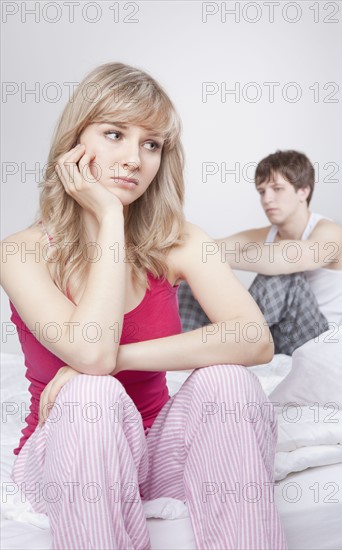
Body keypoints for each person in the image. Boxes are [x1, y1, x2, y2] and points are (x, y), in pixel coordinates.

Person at [0, 62, 288, 550]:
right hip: (64, 455)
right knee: (93, 396)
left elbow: (254, 340)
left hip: (155, 450)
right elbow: (92, 356)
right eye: (114, 134)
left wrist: (124, 358)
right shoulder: (21, 251)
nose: (134, 158)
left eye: (150, 144)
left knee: (228, 378)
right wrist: (111, 216)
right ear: (75, 140)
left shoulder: (176, 240)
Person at [179, 150, 342, 355]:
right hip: (277, 335)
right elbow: (207, 247)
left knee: (283, 276)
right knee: (189, 276)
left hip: (322, 340)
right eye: (262, 191)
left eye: (277, 188)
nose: (267, 199)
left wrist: (207, 257)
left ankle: (228, 345)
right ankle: (184, 353)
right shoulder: (267, 233)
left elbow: (285, 258)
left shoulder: (331, 233)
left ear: (303, 191)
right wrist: (179, 255)